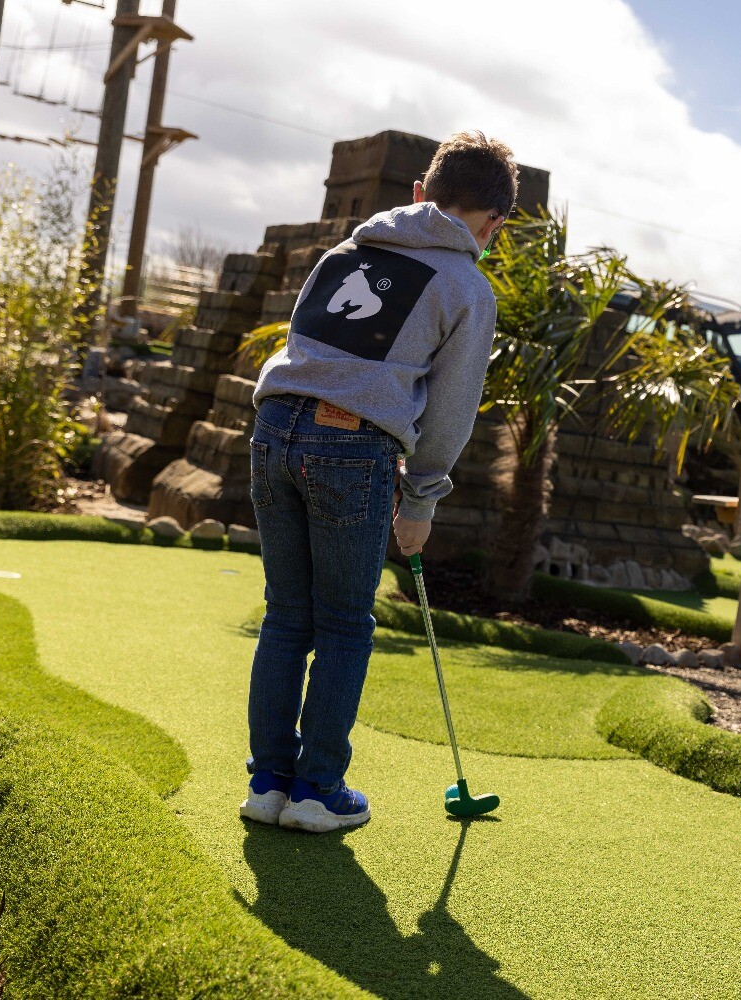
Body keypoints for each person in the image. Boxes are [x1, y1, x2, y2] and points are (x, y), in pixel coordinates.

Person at [239, 132, 518, 833]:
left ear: (421, 194)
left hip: (273, 430)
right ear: (495, 225)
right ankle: (317, 791)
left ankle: (269, 784)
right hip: (350, 448)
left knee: (286, 614)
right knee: (341, 624)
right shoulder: (467, 286)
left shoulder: (345, 252)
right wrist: (422, 498)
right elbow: (452, 410)